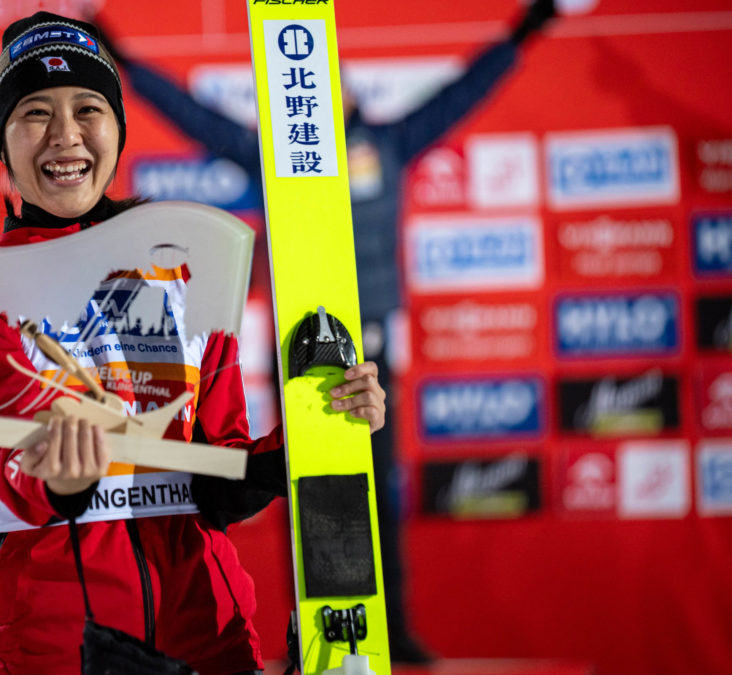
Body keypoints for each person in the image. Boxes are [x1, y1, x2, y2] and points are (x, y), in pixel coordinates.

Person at [95, 0, 558, 663]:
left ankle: (390, 633)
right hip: (304, 356)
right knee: (309, 492)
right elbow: (187, 114)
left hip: (372, 351)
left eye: (328, 76)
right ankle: (316, 633)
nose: (318, 89)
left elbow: (466, 91)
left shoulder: (387, 144)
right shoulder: (269, 154)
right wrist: (113, 46)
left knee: (374, 495)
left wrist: (532, 23)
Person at [0, 12, 387, 674]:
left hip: (210, 635)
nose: (65, 135)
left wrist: (315, 437)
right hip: (63, 649)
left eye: (89, 107)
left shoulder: (181, 272)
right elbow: (13, 476)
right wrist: (60, 480)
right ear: (2, 140)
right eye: (35, 113)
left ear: (117, 128)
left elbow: (219, 471)